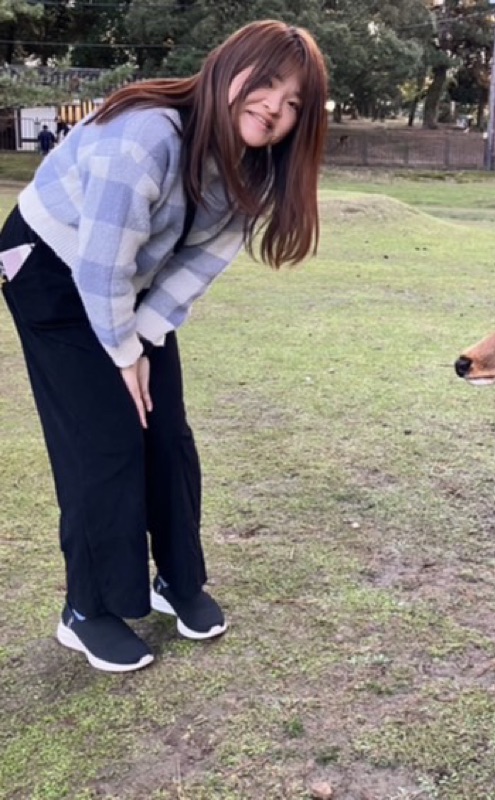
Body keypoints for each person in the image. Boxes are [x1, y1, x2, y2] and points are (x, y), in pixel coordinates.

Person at [0, 20, 328, 672]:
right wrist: (124, 356)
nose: (275, 108)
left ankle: (176, 581)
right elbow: (98, 267)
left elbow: (198, 265)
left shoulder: (255, 171)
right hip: (49, 271)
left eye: (294, 104)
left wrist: (142, 342)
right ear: (227, 68)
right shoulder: (146, 136)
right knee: (106, 439)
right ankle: (87, 609)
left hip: (127, 283)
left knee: (166, 432)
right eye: (266, 85)